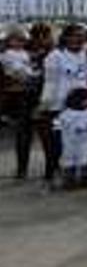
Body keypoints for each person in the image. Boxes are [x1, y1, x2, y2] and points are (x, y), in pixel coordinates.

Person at [39, 24, 87, 185]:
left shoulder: (86, 54)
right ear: (66, 37)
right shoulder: (55, 56)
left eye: (82, 36)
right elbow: (50, 83)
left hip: (82, 107)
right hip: (58, 109)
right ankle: (55, 177)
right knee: (58, 145)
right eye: (75, 35)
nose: (79, 39)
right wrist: (44, 105)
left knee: (83, 143)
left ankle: (82, 175)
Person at [0, 26, 39, 179]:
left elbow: (27, 70)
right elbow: (17, 72)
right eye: (16, 39)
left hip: (27, 93)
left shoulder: (23, 53)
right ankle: (21, 168)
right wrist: (32, 74)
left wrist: (31, 73)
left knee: (27, 132)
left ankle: (23, 167)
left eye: (22, 40)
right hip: (17, 95)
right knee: (23, 131)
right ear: (9, 41)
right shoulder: (6, 55)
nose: (19, 42)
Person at [56, 87, 87, 190]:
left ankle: (84, 178)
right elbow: (57, 126)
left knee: (85, 159)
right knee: (70, 160)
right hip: (69, 143)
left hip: (85, 142)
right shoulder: (66, 114)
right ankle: (69, 180)